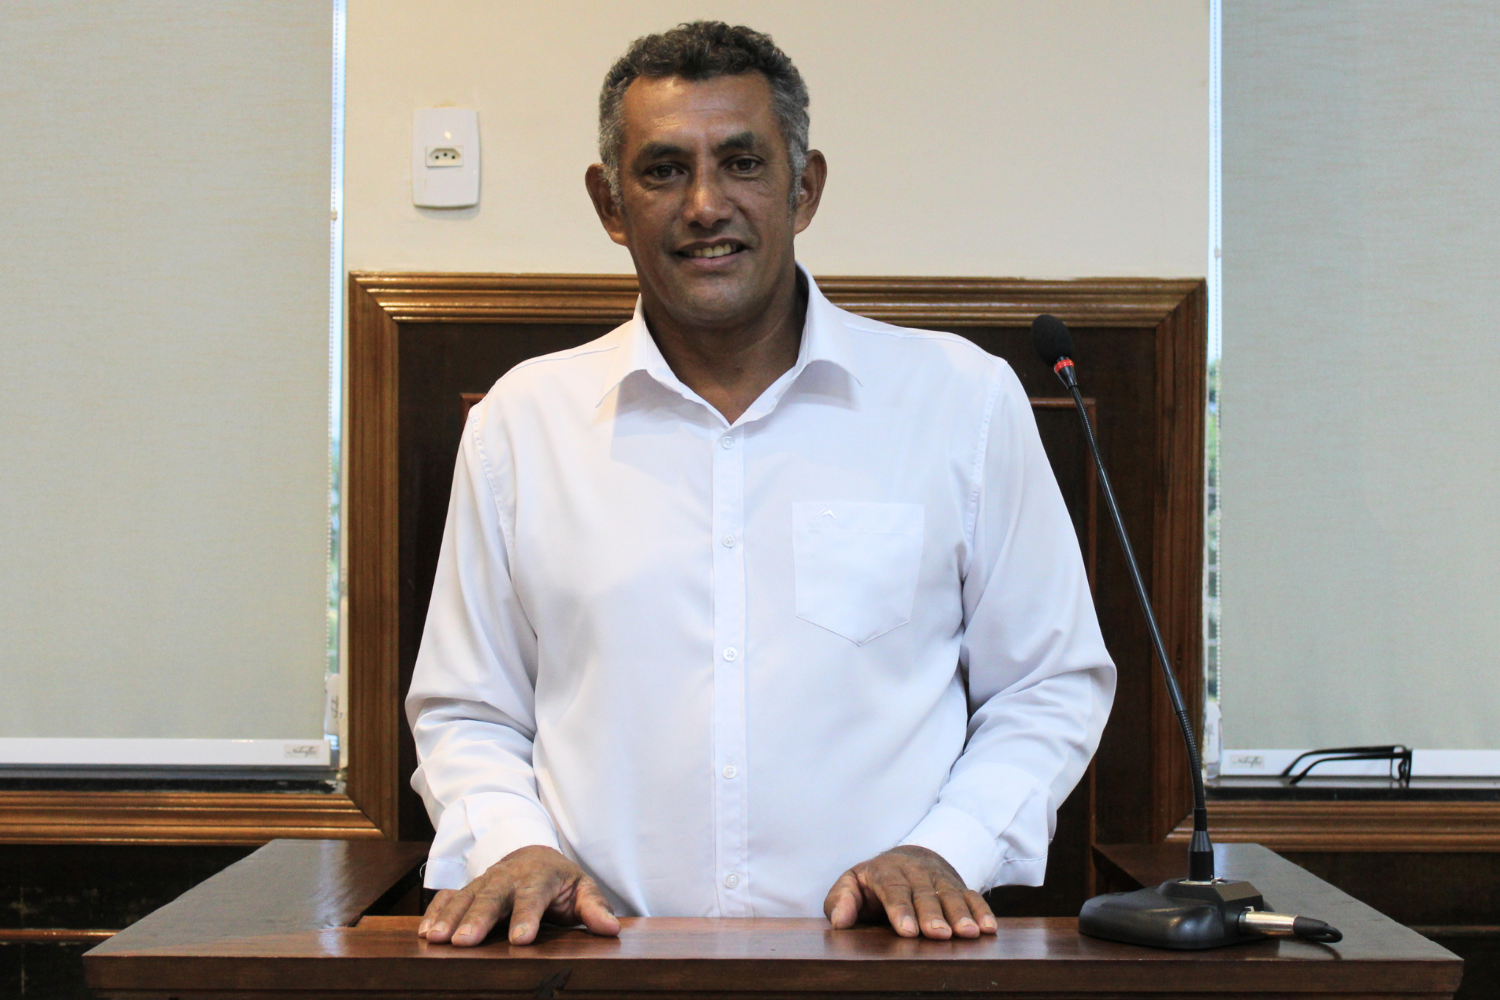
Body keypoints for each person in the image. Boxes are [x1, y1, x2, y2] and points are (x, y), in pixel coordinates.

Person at [407, 21, 1115, 949]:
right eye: (664, 170)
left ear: (804, 188)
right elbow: (468, 708)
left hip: (885, 960)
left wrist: (948, 847)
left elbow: (1048, 683)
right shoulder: (522, 423)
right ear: (610, 204)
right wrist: (514, 845)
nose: (706, 205)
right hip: (603, 961)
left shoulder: (960, 402)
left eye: (742, 163)